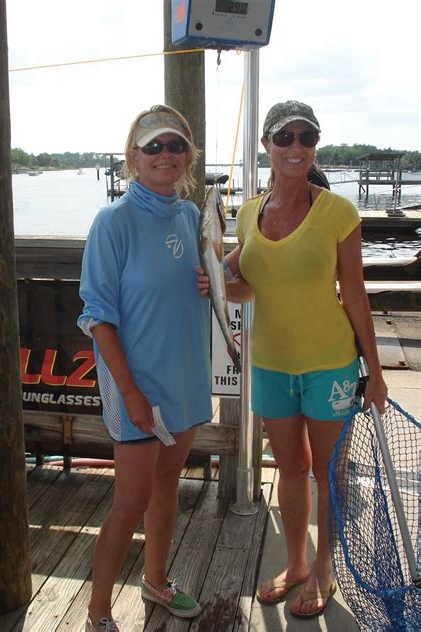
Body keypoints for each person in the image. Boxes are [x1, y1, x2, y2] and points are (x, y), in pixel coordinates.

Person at [198, 100, 387, 618]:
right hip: (270, 364)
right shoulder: (250, 214)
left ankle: (325, 566)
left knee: (329, 472)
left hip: (330, 362)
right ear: (267, 146)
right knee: (291, 468)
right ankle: (297, 561)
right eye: (285, 137)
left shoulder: (338, 212)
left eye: (307, 137)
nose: (296, 147)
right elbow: (239, 285)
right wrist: (209, 279)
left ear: (315, 146)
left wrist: (374, 372)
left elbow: (356, 294)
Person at [78, 104, 212, 632]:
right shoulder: (113, 222)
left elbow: (205, 283)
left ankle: (156, 581)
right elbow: (98, 317)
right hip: (136, 384)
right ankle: (97, 611)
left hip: (184, 378)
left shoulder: (191, 214)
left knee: (167, 486)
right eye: (153, 146)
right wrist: (130, 393)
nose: (165, 155)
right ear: (133, 157)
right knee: (130, 499)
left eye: (175, 145)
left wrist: (208, 283)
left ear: (188, 155)